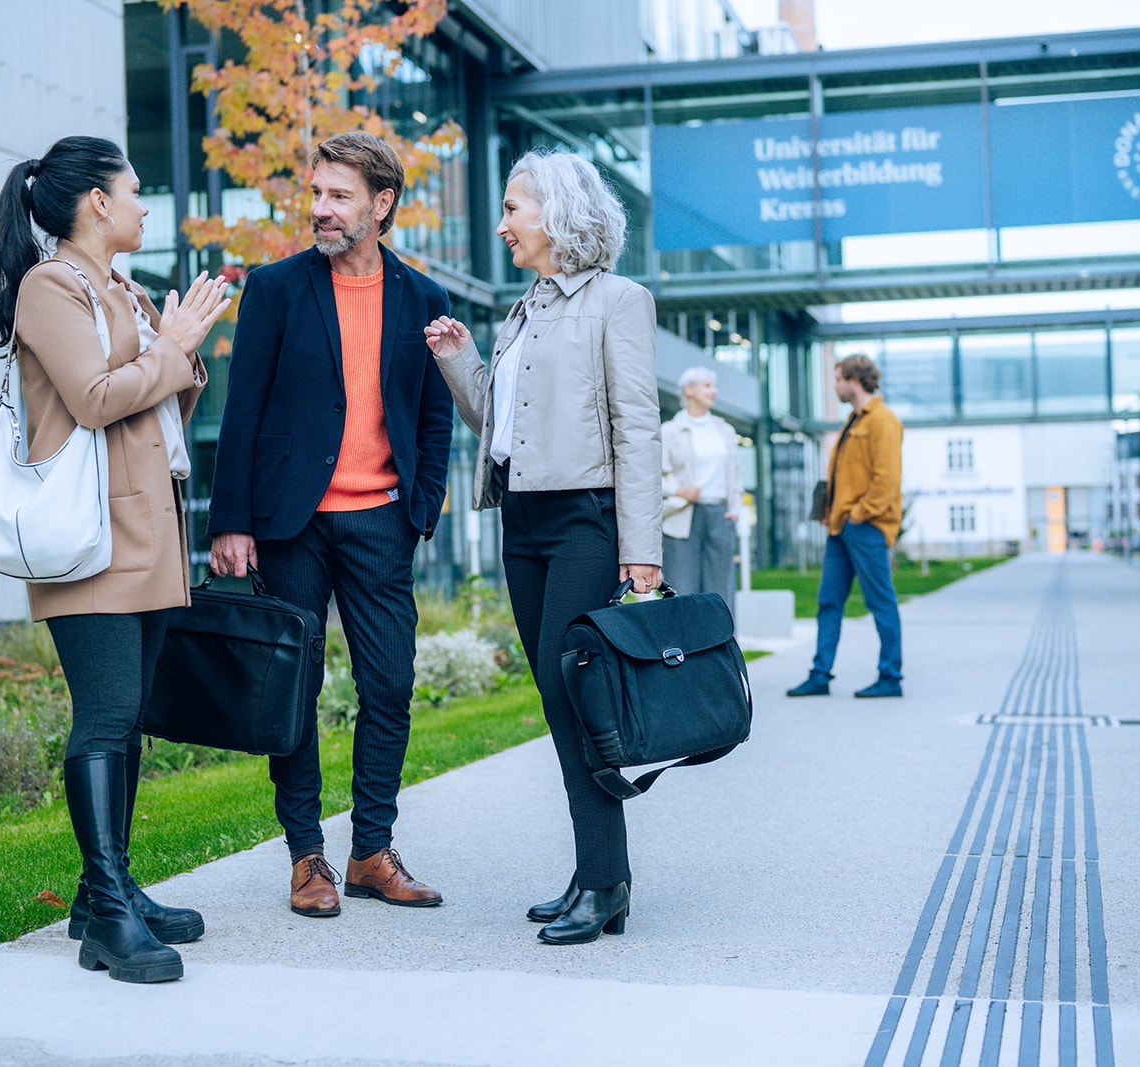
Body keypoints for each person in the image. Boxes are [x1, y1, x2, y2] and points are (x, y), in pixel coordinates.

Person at [0, 136, 231, 983]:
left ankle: (109, 888)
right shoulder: (51, 286)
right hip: (92, 541)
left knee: (129, 722)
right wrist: (170, 348)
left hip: (147, 531)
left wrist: (185, 349)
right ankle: (107, 917)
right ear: (95, 201)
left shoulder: (114, 285)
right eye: (132, 189)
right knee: (106, 716)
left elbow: (158, 399)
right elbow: (93, 399)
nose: (143, 203)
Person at [207, 132, 453, 919]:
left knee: (391, 683)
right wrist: (231, 520)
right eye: (316, 193)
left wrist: (422, 508)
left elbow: (437, 414)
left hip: (383, 518)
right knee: (295, 686)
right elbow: (240, 408)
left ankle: (372, 850)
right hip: (290, 523)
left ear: (382, 205)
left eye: (339, 196)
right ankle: (307, 854)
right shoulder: (276, 287)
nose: (320, 208)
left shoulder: (423, 298)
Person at [425, 149, 663, 945]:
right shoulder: (522, 311)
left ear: (557, 215)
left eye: (513, 208)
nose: (502, 224)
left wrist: (644, 549)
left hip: (585, 520)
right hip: (521, 522)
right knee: (557, 702)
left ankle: (605, 878)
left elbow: (637, 427)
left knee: (577, 698)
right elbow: (499, 424)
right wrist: (460, 359)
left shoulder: (618, 301)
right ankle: (596, 872)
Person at [787, 353, 905, 700]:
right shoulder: (854, 420)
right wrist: (833, 510)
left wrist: (859, 513)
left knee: (881, 602)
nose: (834, 386)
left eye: (837, 379)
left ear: (854, 380)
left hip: (866, 526)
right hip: (841, 527)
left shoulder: (882, 420)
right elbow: (847, 475)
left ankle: (890, 677)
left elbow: (886, 480)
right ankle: (820, 675)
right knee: (828, 602)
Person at [661, 366, 742, 613]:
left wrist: (735, 509)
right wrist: (680, 490)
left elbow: (735, 474)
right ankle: (683, 651)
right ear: (689, 390)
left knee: (721, 594)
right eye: (707, 386)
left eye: (714, 386)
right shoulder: (669, 431)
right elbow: (655, 475)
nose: (714, 391)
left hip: (719, 514)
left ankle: (722, 651)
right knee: (681, 592)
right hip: (683, 517)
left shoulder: (724, 430)